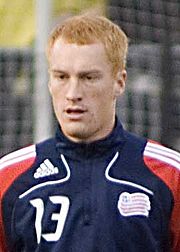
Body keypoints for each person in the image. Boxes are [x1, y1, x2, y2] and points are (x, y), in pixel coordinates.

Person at [0, 14, 179, 252]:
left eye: (88, 77)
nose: (73, 92)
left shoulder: (170, 176)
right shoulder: (9, 179)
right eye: (62, 77)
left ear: (120, 82)